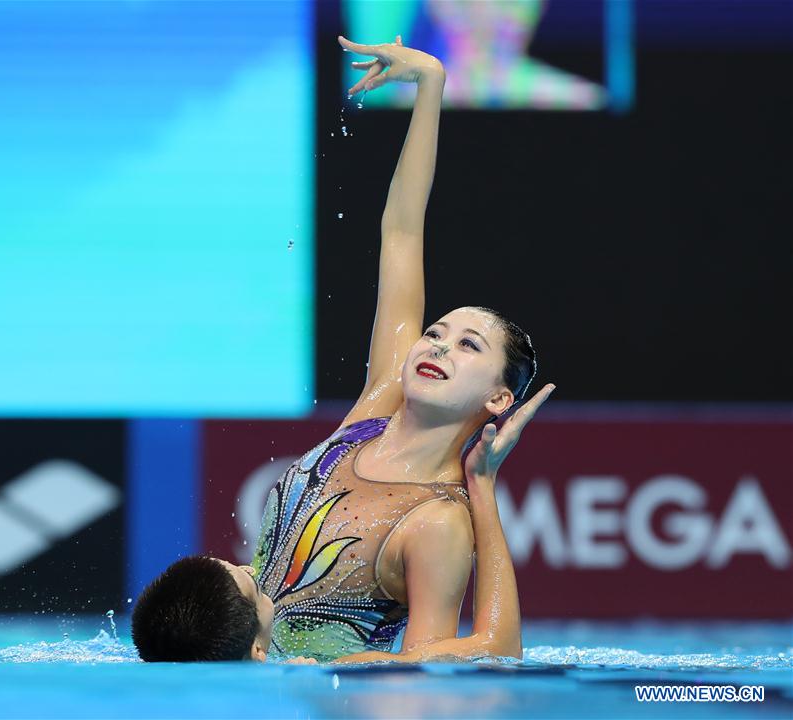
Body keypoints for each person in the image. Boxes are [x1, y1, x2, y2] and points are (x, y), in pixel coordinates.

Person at [132, 33, 554, 663]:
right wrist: (430, 86)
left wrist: (481, 486)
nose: (435, 343)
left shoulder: (436, 521)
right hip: (236, 670)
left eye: (468, 345)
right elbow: (402, 231)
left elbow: (456, 662)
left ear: (499, 398)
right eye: (435, 331)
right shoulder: (373, 413)